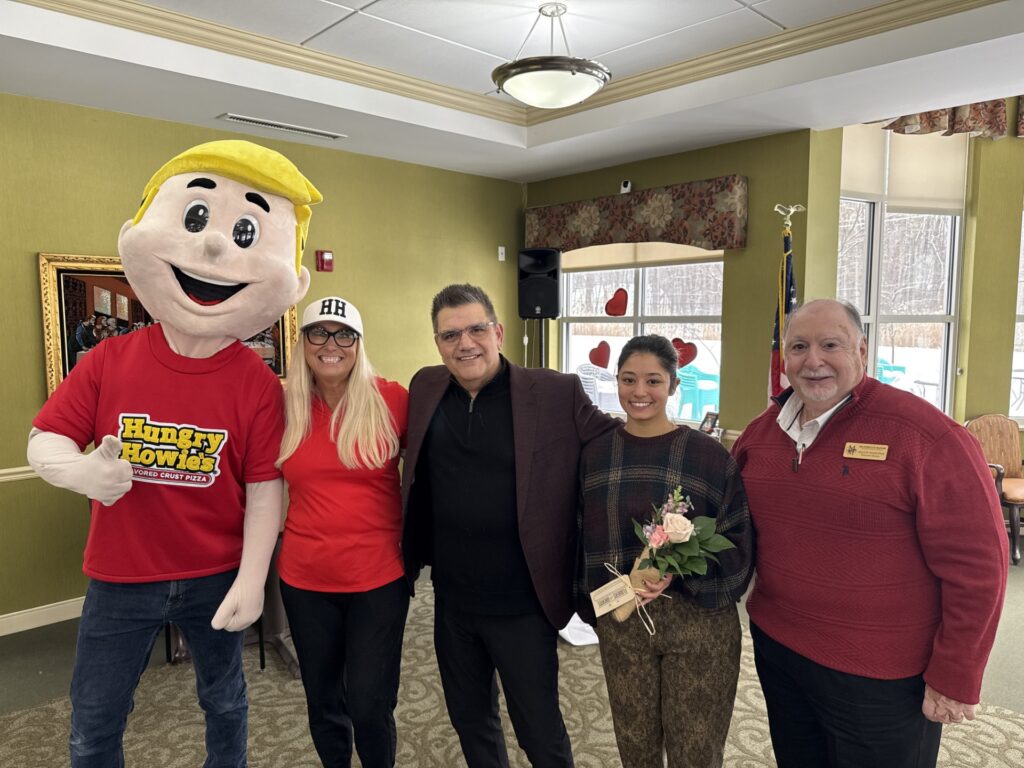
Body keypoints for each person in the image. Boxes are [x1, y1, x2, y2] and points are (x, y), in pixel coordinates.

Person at [27, 139, 320, 767]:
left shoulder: (256, 384)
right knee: (94, 720)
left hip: (215, 572)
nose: (213, 247)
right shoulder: (108, 360)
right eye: (196, 219)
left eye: (244, 233)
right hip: (120, 577)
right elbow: (44, 439)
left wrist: (252, 577)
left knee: (226, 702)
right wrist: (82, 471)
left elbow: (264, 487)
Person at [731, 298, 1007, 768]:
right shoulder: (761, 434)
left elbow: (980, 567)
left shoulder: (925, 436)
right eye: (799, 346)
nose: (813, 360)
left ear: (862, 350)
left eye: (830, 345)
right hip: (780, 653)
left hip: (883, 676)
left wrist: (956, 672)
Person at [400, 283, 619, 768]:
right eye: (450, 335)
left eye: (476, 329)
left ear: (498, 332)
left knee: (539, 732)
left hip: (523, 603)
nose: (465, 343)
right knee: (471, 722)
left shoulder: (555, 392)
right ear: (438, 344)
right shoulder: (425, 387)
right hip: (452, 601)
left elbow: (615, 444)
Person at [577, 334, 753, 768]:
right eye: (628, 379)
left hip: (700, 623)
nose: (640, 391)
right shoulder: (594, 456)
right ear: (616, 381)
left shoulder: (709, 458)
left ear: (673, 385)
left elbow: (738, 540)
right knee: (635, 746)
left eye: (653, 380)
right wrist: (592, 607)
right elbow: (578, 537)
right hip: (623, 621)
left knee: (696, 750)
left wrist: (681, 572)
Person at [276, 295, 410, 768]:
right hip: (305, 581)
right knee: (323, 700)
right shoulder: (283, 406)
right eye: (319, 332)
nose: (330, 345)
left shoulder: (392, 400)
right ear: (303, 342)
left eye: (344, 335)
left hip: (378, 580)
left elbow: (441, 468)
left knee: (370, 703)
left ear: (359, 344)